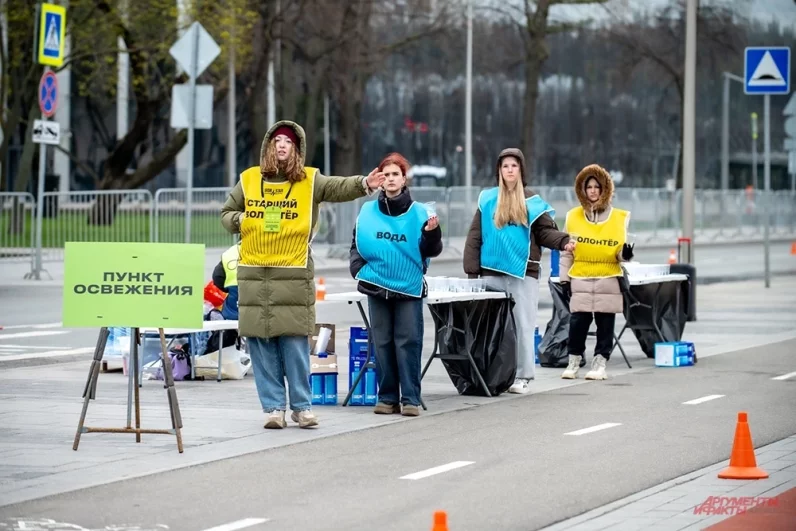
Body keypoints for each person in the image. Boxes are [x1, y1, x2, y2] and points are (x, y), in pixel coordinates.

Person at [220, 120, 385, 429]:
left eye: (289, 143)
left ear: (296, 150)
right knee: (260, 343)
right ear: (269, 146)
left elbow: (337, 187)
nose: (282, 146)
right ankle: (273, 409)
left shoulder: (310, 181)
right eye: (277, 141)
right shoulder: (249, 180)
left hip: (293, 269)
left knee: (294, 343)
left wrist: (365, 183)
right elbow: (226, 214)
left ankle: (301, 407)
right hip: (255, 270)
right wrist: (241, 219)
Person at [463, 148, 575, 394]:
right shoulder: (487, 199)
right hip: (490, 272)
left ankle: (522, 376)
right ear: (499, 171)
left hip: (523, 274)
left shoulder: (532, 202)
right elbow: (475, 235)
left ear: (521, 170)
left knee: (523, 325)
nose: (509, 170)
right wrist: (472, 272)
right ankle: (495, 373)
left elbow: (545, 232)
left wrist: (564, 241)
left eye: (514, 166)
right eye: (505, 166)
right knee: (494, 327)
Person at [348, 153, 443, 417]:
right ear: (380, 179)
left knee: (408, 342)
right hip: (376, 285)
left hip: (408, 287)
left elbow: (431, 250)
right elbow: (356, 243)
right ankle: (387, 397)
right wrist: (358, 269)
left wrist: (432, 233)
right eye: (386, 174)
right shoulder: (366, 211)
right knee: (382, 343)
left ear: (404, 179)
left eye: (395, 175)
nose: (390, 179)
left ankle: (410, 397)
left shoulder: (421, 213)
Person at [559, 164, 634, 381]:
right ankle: (573, 361)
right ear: (583, 189)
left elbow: (619, 253)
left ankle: (600, 362)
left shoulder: (618, 217)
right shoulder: (573, 216)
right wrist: (564, 278)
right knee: (578, 322)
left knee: (605, 323)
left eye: (596, 186)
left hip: (608, 278)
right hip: (580, 276)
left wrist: (626, 253)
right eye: (588, 186)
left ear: (604, 189)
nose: (592, 190)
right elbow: (567, 251)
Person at [212, 242, 240, 320]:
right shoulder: (274, 250)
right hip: (269, 318)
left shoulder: (233, 252)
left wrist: (230, 289)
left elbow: (217, 277)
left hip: (234, 312)